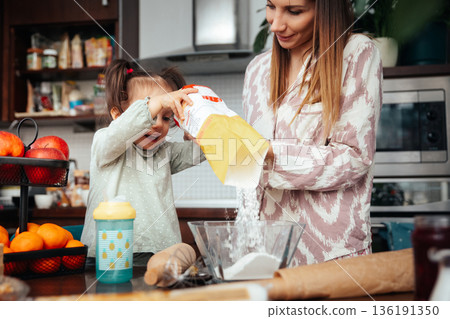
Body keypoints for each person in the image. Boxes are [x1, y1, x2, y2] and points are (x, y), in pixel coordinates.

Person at [242, 0, 382, 265]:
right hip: (266, 253)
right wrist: (212, 136)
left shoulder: (356, 52)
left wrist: (269, 153)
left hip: (332, 255)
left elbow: (354, 158)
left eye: (294, 11)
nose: (275, 24)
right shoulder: (257, 70)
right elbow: (250, 166)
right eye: (271, 6)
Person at [80, 60, 204, 263]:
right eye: (152, 114)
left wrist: (199, 133)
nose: (158, 125)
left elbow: (203, 150)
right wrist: (159, 103)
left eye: (166, 118)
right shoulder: (106, 141)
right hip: (109, 254)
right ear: (117, 116)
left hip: (161, 254)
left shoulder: (164, 152)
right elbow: (122, 131)